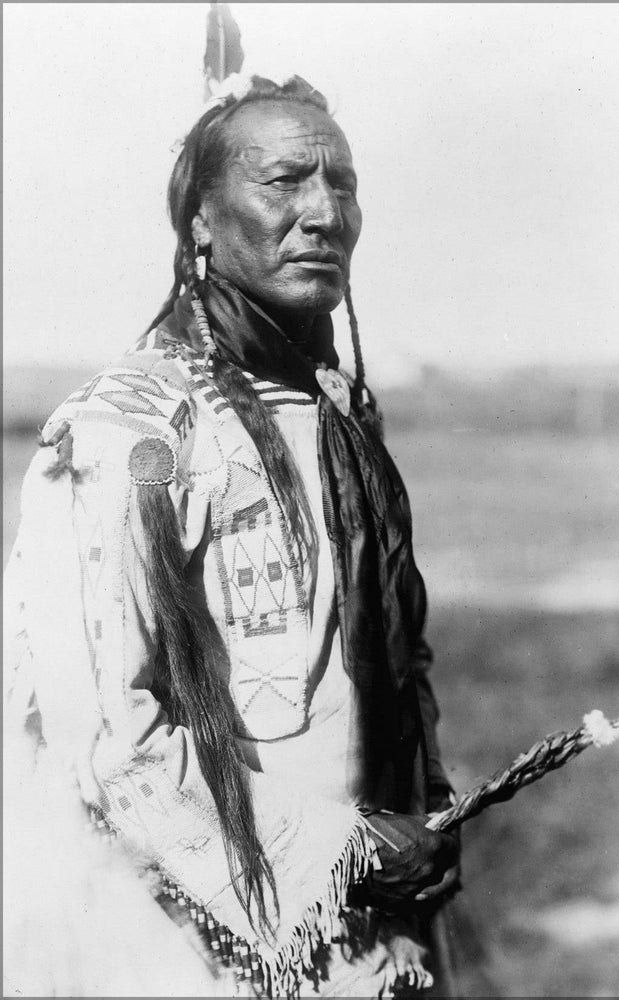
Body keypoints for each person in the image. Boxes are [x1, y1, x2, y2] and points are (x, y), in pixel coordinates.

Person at [4, 74, 460, 998]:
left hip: (376, 930)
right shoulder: (123, 434)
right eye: (285, 181)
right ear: (201, 223)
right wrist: (342, 849)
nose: (324, 213)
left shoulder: (338, 417)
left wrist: (422, 820)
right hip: (194, 945)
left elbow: (398, 667)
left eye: (342, 183)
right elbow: (103, 740)